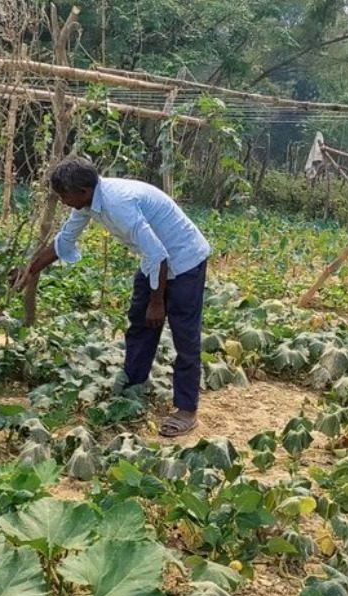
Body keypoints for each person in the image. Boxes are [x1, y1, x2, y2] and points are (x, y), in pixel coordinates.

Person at [13, 156, 211, 437]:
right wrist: (30, 270)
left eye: (63, 195)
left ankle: (186, 409)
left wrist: (158, 303)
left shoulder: (118, 204)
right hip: (155, 260)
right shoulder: (88, 203)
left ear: (82, 191)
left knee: (184, 334)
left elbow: (159, 254)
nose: (61, 200)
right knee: (140, 323)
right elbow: (64, 240)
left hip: (184, 258)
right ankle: (133, 386)